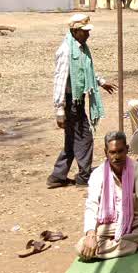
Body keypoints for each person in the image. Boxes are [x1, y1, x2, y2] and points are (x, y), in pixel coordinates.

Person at [77, 131, 138, 261]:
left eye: (120, 151)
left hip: (134, 222)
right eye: (112, 152)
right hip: (108, 227)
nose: (116, 156)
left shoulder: (137, 168)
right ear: (106, 152)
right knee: (81, 247)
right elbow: (91, 205)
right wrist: (90, 235)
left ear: (127, 149)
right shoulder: (98, 174)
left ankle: (115, 244)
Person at [49, 14, 117, 188]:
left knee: (72, 140)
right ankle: (84, 176)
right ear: (75, 31)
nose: (88, 34)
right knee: (85, 138)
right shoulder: (66, 51)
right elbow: (60, 79)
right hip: (71, 102)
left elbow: (87, 72)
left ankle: (58, 176)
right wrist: (59, 110)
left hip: (76, 101)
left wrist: (101, 82)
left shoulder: (81, 48)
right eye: (84, 31)